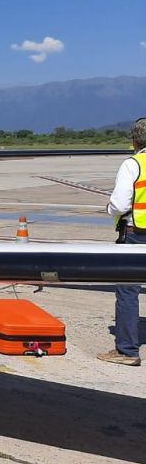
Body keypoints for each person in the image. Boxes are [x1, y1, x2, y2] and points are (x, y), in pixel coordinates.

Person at [100, 117, 146, 367]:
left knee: (128, 291)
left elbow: (118, 204)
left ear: (135, 140)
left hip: (137, 232)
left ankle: (127, 350)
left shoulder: (133, 164)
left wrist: (110, 209)